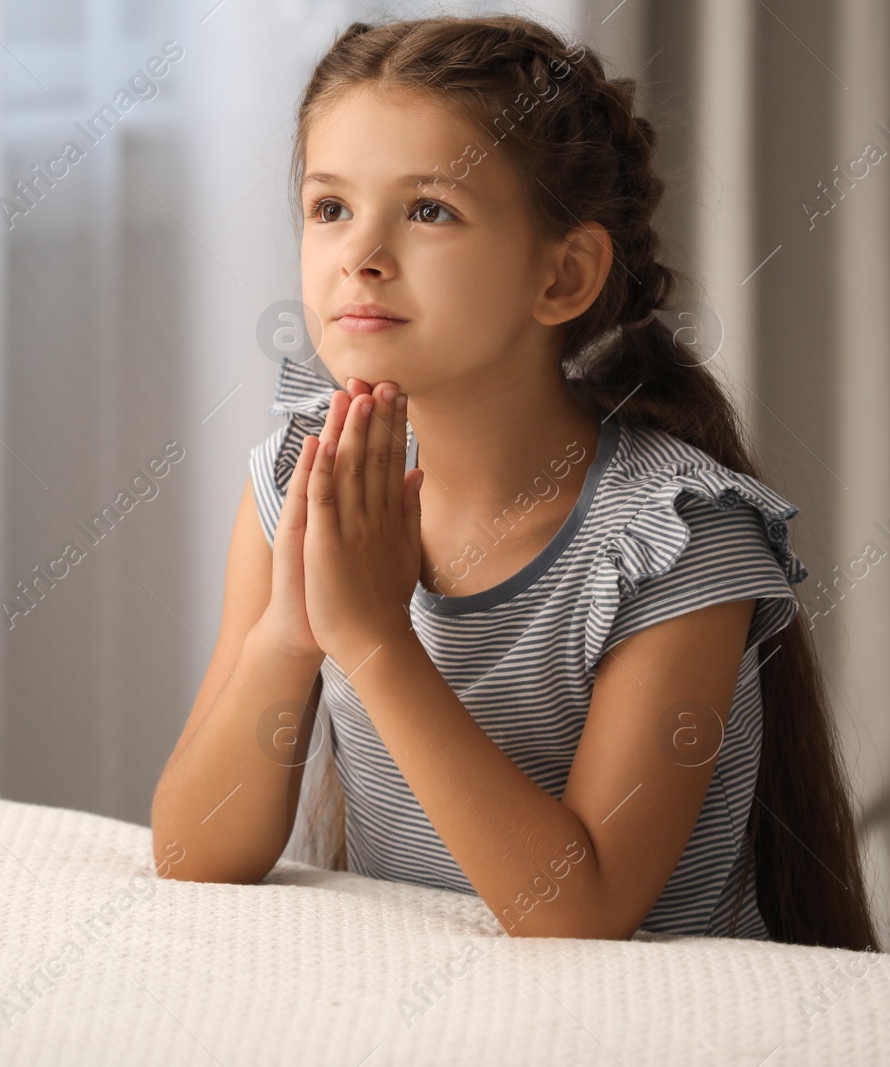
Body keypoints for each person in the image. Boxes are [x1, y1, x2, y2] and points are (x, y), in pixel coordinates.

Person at [149, 13, 881, 949]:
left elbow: (581, 917)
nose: (359, 255)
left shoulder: (674, 539)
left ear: (565, 275)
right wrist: (292, 634)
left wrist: (374, 641)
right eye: (331, 207)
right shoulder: (301, 474)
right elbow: (194, 852)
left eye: (429, 210)